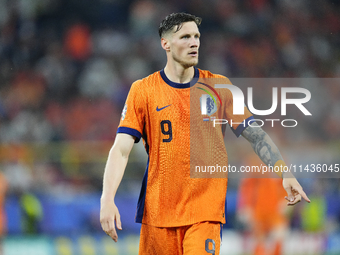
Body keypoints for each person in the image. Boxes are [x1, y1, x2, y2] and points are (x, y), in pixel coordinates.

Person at [100, 12, 310, 255]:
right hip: (158, 215)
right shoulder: (143, 91)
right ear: (165, 43)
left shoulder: (219, 87)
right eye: (186, 36)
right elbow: (121, 149)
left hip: (204, 212)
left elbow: (257, 135)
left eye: (197, 36)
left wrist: (284, 172)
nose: (194, 42)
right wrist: (107, 198)